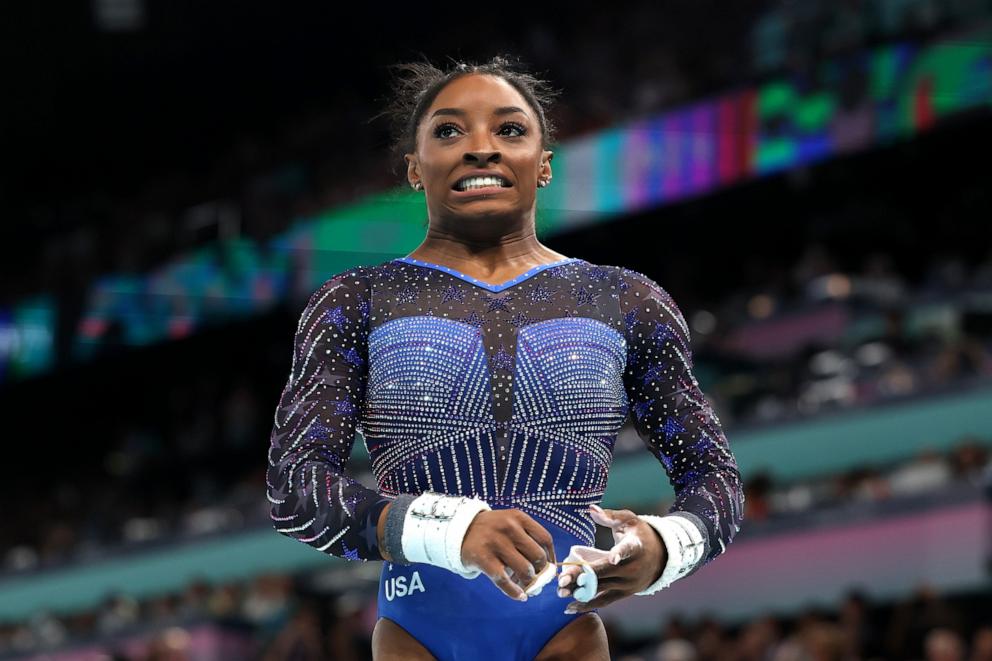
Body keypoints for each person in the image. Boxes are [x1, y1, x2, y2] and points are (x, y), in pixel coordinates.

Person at [266, 55, 745, 661]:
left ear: (544, 164)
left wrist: (665, 547)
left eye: (510, 130)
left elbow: (715, 480)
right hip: (419, 633)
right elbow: (294, 487)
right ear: (415, 169)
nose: (480, 148)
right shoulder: (356, 301)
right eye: (448, 131)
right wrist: (448, 530)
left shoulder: (626, 300)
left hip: (566, 630)